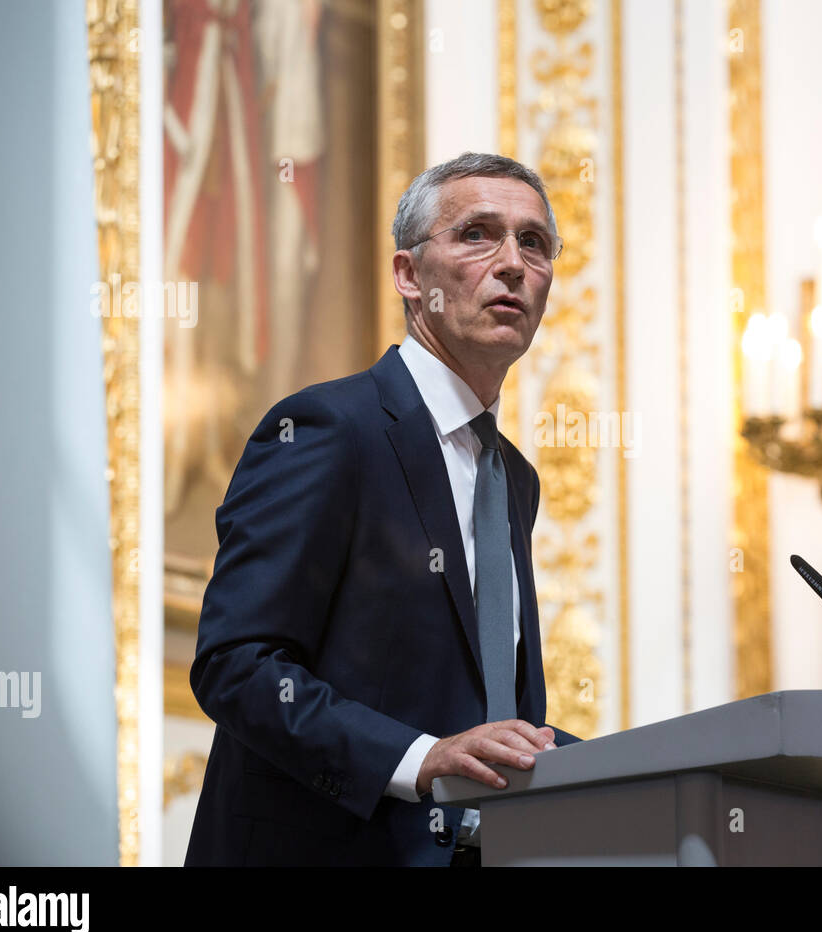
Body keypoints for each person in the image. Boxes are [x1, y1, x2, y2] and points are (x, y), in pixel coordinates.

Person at [185, 152, 580, 866]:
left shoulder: (512, 477)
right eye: (476, 234)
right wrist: (421, 759)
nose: (513, 263)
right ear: (408, 276)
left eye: (534, 242)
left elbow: (483, 711)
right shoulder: (330, 430)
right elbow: (237, 665)